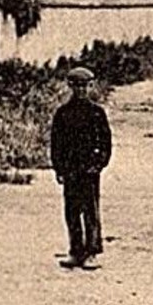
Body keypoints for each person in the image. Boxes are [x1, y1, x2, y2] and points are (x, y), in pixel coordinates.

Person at [50, 66, 113, 268]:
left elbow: (105, 142)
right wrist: (59, 169)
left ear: (91, 86)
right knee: (72, 211)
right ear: (70, 87)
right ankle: (76, 251)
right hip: (70, 170)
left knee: (90, 210)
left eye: (84, 86)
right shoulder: (63, 113)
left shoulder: (96, 113)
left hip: (89, 169)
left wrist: (99, 164)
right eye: (76, 86)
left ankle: (91, 252)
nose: (80, 90)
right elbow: (56, 144)